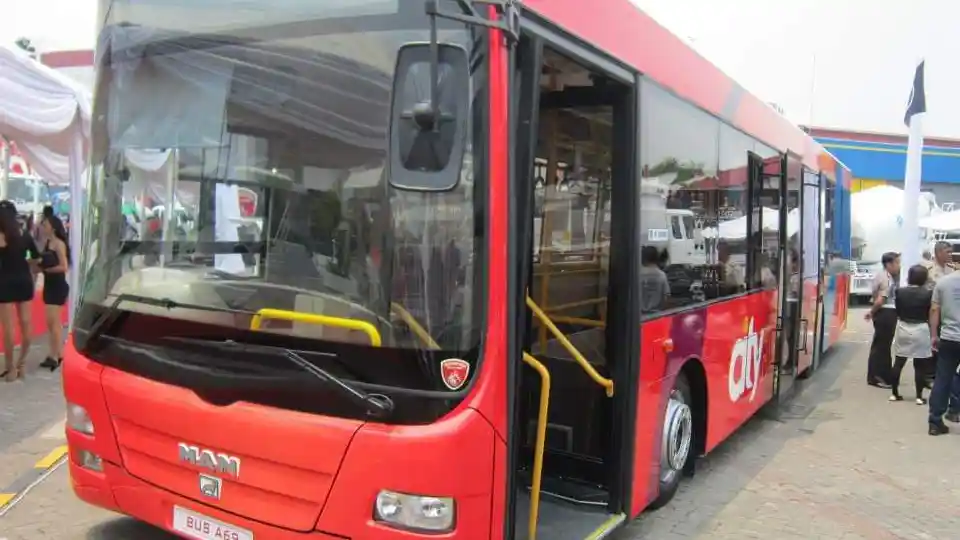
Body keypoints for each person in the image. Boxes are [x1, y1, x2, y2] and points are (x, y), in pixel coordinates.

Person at [0, 202, 40, 381]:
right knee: (26, 324)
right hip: (24, 280)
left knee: (9, 328)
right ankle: (21, 364)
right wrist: (29, 268)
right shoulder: (24, 234)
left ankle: (10, 368)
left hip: (4, 282)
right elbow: (36, 258)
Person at [891, 265, 933, 404]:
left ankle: (894, 393)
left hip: (903, 326)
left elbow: (898, 310)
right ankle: (919, 397)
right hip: (921, 327)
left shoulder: (900, 292)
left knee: (899, 362)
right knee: (920, 365)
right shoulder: (928, 293)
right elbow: (930, 312)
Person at [928, 268, 960, 435]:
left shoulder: (944, 282)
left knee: (943, 378)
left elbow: (934, 310)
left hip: (949, 338)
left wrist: (934, 335)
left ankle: (935, 421)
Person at [37, 213, 70, 371]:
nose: (43, 226)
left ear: (53, 226)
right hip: (50, 285)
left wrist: (48, 270)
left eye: (46, 224)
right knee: (51, 324)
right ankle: (55, 353)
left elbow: (64, 266)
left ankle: (57, 356)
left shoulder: (59, 244)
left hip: (57, 286)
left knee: (54, 323)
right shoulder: (48, 242)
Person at [865, 252, 900, 388]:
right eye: (896, 263)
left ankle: (882, 375)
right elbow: (880, 300)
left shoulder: (886, 276)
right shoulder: (886, 278)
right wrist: (871, 312)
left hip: (886, 312)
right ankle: (878, 376)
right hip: (886, 313)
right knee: (882, 347)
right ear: (888, 264)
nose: (898, 266)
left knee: (882, 345)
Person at [639, 245, 669, 314]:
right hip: (656, 315)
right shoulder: (661, 275)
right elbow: (666, 297)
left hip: (638, 315)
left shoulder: (637, 275)